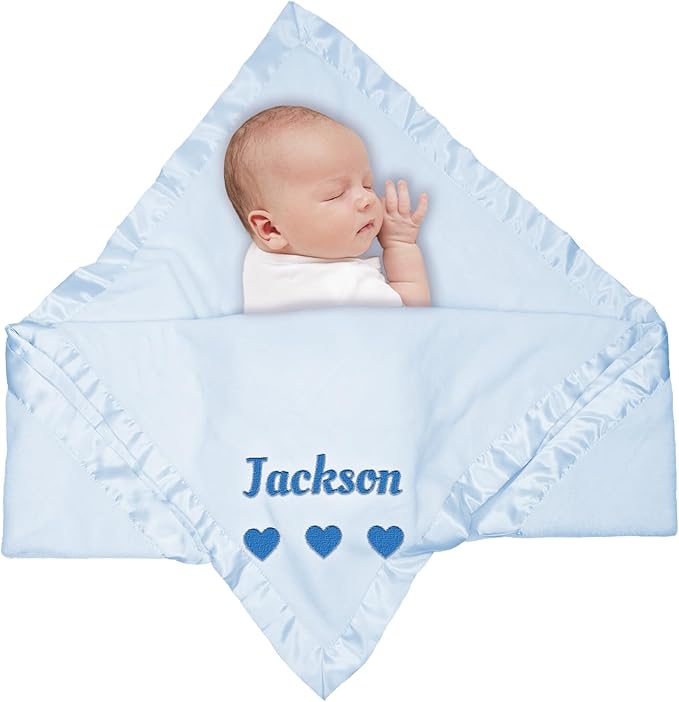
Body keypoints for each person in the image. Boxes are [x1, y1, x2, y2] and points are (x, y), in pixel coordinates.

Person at [223, 104, 431, 313]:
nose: (367, 199)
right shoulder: (351, 289)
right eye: (336, 194)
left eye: (367, 185)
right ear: (271, 229)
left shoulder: (259, 260)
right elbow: (414, 320)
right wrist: (400, 244)